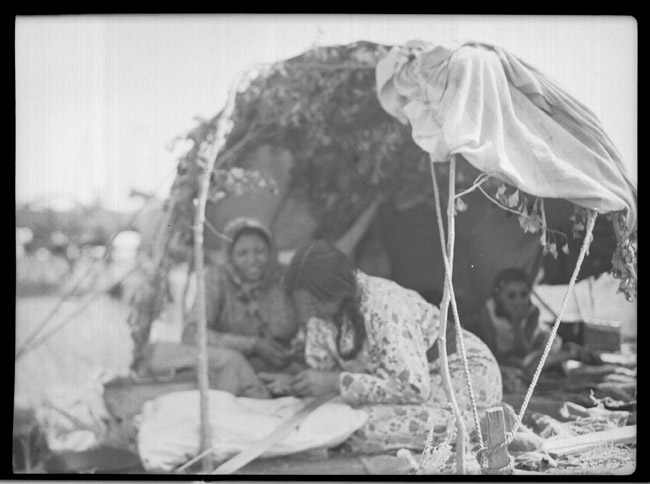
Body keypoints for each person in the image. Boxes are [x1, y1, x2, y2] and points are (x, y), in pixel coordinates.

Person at [260, 240, 502, 454]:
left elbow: (413, 387)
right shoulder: (322, 316)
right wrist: (296, 383)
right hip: (416, 388)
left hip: (462, 377)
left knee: (362, 427)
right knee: (329, 418)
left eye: (313, 303)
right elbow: (323, 374)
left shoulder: (383, 302)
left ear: (335, 292)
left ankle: (483, 423)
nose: (308, 312)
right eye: (303, 305)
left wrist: (337, 382)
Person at [144, 217, 302, 399]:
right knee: (232, 363)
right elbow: (192, 333)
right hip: (229, 370)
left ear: (271, 252)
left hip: (275, 368)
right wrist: (253, 345)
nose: (253, 260)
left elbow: (305, 324)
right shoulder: (217, 278)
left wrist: (292, 349)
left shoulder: (284, 278)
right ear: (230, 256)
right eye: (242, 253)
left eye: (260, 251)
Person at [465, 267, 566, 389]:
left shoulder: (533, 312)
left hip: (536, 344)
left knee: (531, 364)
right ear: (499, 297)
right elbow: (491, 347)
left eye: (523, 294)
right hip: (506, 350)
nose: (518, 301)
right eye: (511, 295)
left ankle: (570, 354)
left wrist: (517, 324)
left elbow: (523, 353)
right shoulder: (489, 309)